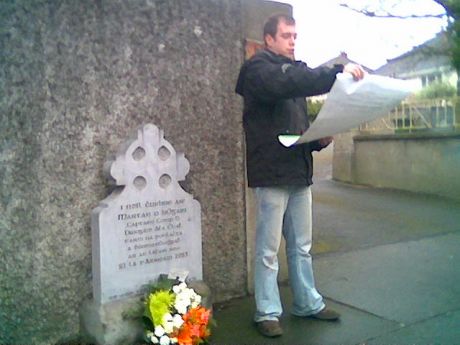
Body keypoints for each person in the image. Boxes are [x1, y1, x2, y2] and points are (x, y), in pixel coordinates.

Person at [235, 14, 365, 338]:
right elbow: (286, 82)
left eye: (295, 35)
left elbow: (296, 128)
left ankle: (307, 302)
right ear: (268, 39)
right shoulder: (257, 71)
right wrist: (335, 72)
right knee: (267, 250)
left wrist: (316, 139)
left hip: (297, 171)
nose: (293, 40)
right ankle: (267, 311)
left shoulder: (292, 75)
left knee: (301, 246)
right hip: (271, 174)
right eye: (286, 35)